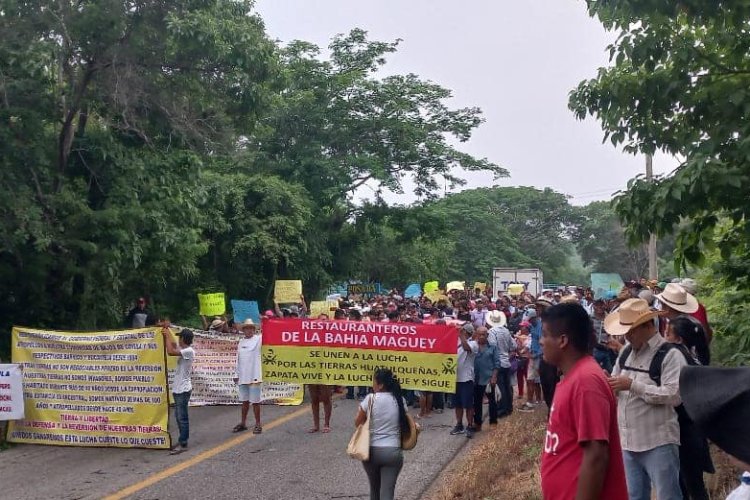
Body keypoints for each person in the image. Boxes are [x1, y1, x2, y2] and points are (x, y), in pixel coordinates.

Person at [539, 302, 628, 500]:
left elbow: (596, 454)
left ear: (562, 340)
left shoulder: (585, 382)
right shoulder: (574, 378)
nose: (541, 341)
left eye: (545, 334)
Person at [606, 298, 687, 500]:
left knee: (667, 495)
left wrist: (633, 386)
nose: (628, 336)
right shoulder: (626, 352)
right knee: (634, 495)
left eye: (631, 330)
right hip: (627, 442)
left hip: (658, 441)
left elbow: (674, 395)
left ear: (647, 325)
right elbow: (616, 380)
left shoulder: (670, 355)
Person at [665, 317, 714, 500]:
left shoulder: (679, 360)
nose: (664, 336)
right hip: (694, 428)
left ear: (678, 339)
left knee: (688, 482)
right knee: (693, 481)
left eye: (668, 333)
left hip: (685, 429)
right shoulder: (695, 357)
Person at [355, 368, 409, 500]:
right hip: (392, 452)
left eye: (374, 381)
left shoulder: (370, 399)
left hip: (371, 452)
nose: (372, 384)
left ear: (381, 385)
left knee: (374, 490)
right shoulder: (400, 400)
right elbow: (406, 422)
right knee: (387, 493)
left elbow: (358, 423)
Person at [162, 326, 195, 455]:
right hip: (179, 388)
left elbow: (170, 351)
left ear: (184, 339)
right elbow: (174, 346)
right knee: (178, 416)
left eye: (180, 337)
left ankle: (183, 443)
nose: (178, 340)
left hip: (183, 389)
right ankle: (182, 440)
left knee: (182, 417)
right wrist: (167, 332)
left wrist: (166, 336)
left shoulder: (189, 351)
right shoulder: (185, 350)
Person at [233, 318, 263, 434]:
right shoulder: (241, 342)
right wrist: (236, 373)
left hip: (254, 374)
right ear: (244, 330)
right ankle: (243, 423)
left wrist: (266, 321)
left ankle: (258, 423)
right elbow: (238, 359)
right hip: (243, 375)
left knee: (255, 402)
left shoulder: (258, 339)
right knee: (244, 401)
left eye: (251, 328)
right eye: (247, 328)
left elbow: (268, 333)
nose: (249, 330)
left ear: (254, 329)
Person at [450, 323, 479, 438]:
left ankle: (470, 425)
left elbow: (467, 348)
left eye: (463, 331)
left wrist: (461, 335)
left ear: (468, 333)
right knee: (457, 404)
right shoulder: (456, 341)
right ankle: (459, 424)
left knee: (468, 404)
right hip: (454, 378)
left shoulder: (473, 344)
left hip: (466, 378)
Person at [486, 310, 516, 417]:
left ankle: (501, 410)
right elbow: (513, 346)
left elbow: (493, 347)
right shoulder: (506, 331)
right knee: (507, 386)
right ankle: (509, 408)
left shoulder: (491, 332)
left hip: (497, 362)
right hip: (506, 361)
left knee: (499, 387)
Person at [472, 327, 500, 430]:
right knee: (477, 402)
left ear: (487, 335)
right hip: (476, 379)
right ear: (476, 335)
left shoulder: (493, 347)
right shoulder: (473, 346)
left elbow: (497, 363)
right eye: (479, 334)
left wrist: (494, 377)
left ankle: (493, 422)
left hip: (488, 379)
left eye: (484, 334)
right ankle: (477, 423)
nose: (481, 336)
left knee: (492, 401)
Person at [520, 309, 543, 411]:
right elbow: (532, 341)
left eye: (530, 319)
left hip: (540, 356)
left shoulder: (541, 326)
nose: (528, 321)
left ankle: (539, 400)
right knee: (530, 379)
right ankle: (530, 401)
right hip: (533, 355)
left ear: (534, 317)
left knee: (537, 380)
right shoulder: (532, 326)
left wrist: (537, 354)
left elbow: (543, 343)